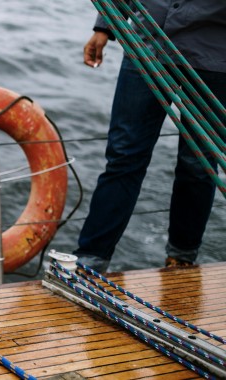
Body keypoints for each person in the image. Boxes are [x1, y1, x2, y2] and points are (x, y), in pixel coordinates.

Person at [75, 1, 226, 273]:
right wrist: (105, 26)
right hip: (145, 45)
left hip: (213, 56)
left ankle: (181, 257)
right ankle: (90, 259)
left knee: (199, 165)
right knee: (123, 156)